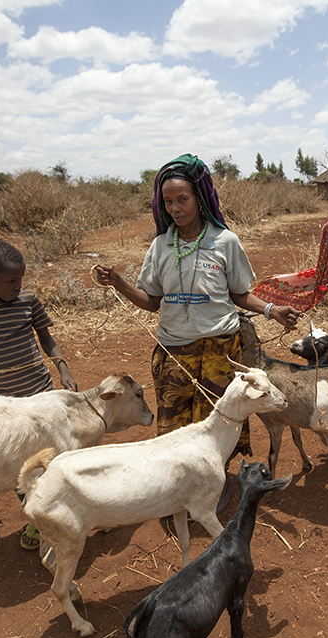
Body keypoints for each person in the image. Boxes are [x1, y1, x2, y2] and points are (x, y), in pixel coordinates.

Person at [94, 154, 298, 504]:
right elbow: (151, 301)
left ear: (200, 199)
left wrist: (271, 309)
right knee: (177, 427)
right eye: (167, 201)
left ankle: (217, 485)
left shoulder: (225, 242)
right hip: (174, 350)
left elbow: (238, 293)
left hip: (220, 349)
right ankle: (178, 489)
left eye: (182, 199)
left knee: (219, 422)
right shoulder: (160, 246)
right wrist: (119, 283)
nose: (174, 208)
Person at [0, 238, 77, 549]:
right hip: (2, 404)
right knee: (22, 462)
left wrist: (63, 369)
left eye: (21, 278)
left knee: (55, 455)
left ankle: (65, 510)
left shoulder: (27, 301)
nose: (18, 285)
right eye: (10, 280)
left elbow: (46, 338)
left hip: (39, 394)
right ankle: (38, 518)